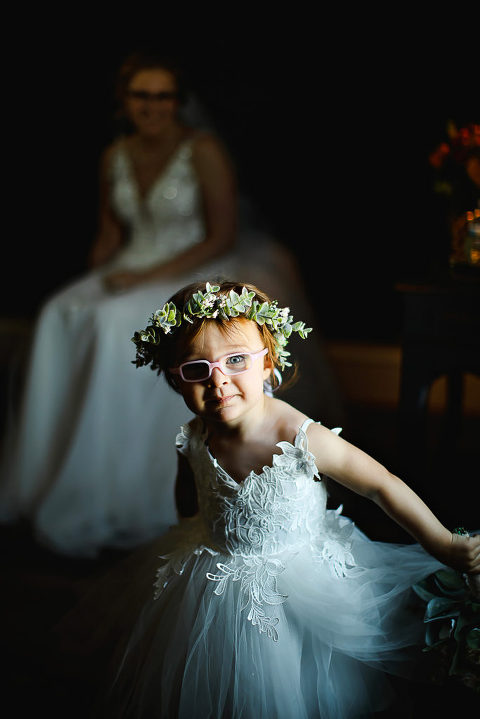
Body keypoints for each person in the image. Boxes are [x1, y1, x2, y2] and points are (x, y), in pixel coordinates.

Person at [0, 52, 344, 557]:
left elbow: (221, 234)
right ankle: (50, 474)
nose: (152, 106)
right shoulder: (114, 154)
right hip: (132, 261)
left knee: (115, 324)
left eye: (163, 96)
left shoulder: (201, 150)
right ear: (124, 101)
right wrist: (94, 277)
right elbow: (110, 232)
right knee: (59, 312)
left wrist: (143, 278)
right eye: (141, 95)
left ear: (177, 101)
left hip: (194, 263)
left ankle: (117, 486)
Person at [89, 280, 479, 719]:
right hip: (215, 577)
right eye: (197, 369)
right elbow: (189, 496)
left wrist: (441, 542)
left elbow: (380, 484)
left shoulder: (299, 436)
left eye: (236, 360)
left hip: (298, 587)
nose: (219, 381)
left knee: (293, 687)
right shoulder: (194, 437)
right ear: (175, 378)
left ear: (267, 361)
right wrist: (189, 535)